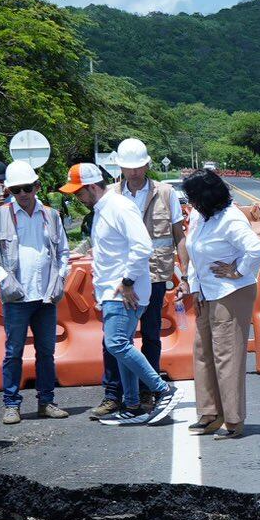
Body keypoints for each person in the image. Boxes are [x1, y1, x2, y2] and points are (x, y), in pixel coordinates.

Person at [0, 159, 72, 424]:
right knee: (13, 352)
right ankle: (11, 404)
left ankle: (46, 401)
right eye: (16, 189)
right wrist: (4, 279)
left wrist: (60, 278)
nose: (22, 194)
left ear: (37, 187)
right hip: (17, 298)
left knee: (46, 352)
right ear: (9, 190)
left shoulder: (50, 216)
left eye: (27, 188)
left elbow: (63, 252)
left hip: (46, 297)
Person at [175, 170, 260, 440]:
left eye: (192, 197)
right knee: (203, 352)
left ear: (206, 196)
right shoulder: (200, 217)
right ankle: (210, 412)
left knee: (227, 355)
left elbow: (257, 249)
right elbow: (194, 253)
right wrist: (194, 287)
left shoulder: (230, 219)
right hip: (207, 292)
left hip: (231, 292)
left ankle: (234, 419)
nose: (190, 202)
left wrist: (238, 271)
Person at [88, 169, 178, 427]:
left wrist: (127, 281)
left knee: (116, 343)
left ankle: (162, 389)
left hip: (124, 291)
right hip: (112, 290)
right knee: (121, 345)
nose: (76, 198)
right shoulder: (103, 209)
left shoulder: (119, 207)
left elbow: (143, 246)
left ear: (92, 187)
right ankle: (132, 405)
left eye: (78, 192)